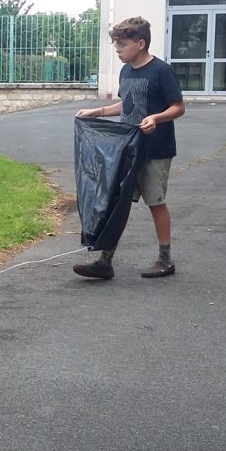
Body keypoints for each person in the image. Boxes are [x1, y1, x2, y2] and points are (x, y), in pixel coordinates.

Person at [73, 16, 185, 279]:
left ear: (141, 43)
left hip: (155, 150)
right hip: (128, 149)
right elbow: (127, 104)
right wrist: (98, 111)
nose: (118, 50)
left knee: (155, 203)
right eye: (116, 45)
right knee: (116, 202)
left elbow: (178, 107)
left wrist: (156, 118)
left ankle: (166, 260)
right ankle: (105, 261)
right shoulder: (126, 72)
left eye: (122, 45)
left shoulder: (161, 71)